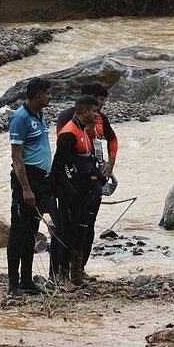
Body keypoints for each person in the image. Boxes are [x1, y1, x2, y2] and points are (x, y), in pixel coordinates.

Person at [56, 82, 119, 275]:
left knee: (88, 225)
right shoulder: (70, 121)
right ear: (86, 109)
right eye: (99, 102)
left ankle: (79, 269)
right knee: (68, 228)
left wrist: (110, 163)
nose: (101, 109)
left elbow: (112, 139)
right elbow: (63, 157)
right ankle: (59, 272)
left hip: (94, 180)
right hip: (74, 183)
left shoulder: (98, 119)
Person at [6, 77, 53, 297]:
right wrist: (25, 189)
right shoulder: (20, 118)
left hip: (41, 179)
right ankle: (13, 285)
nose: (50, 97)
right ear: (37, 96)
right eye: (47, 93)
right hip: (26, 179)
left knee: (32, 233)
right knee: (18, 232)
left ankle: (27, 280)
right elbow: (17, 158)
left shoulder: (40, 115)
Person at [51, 95, 103, 286]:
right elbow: (57, 168)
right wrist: (68, 193)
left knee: (82, 232)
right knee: (67, 233)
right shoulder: (69, 134)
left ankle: (77, 274)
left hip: (84, 193)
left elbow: (88, 161)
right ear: (84, 112)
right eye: (94, 111)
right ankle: (62, 276)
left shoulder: (84, 131)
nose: (97, 114)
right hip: (70, 194)